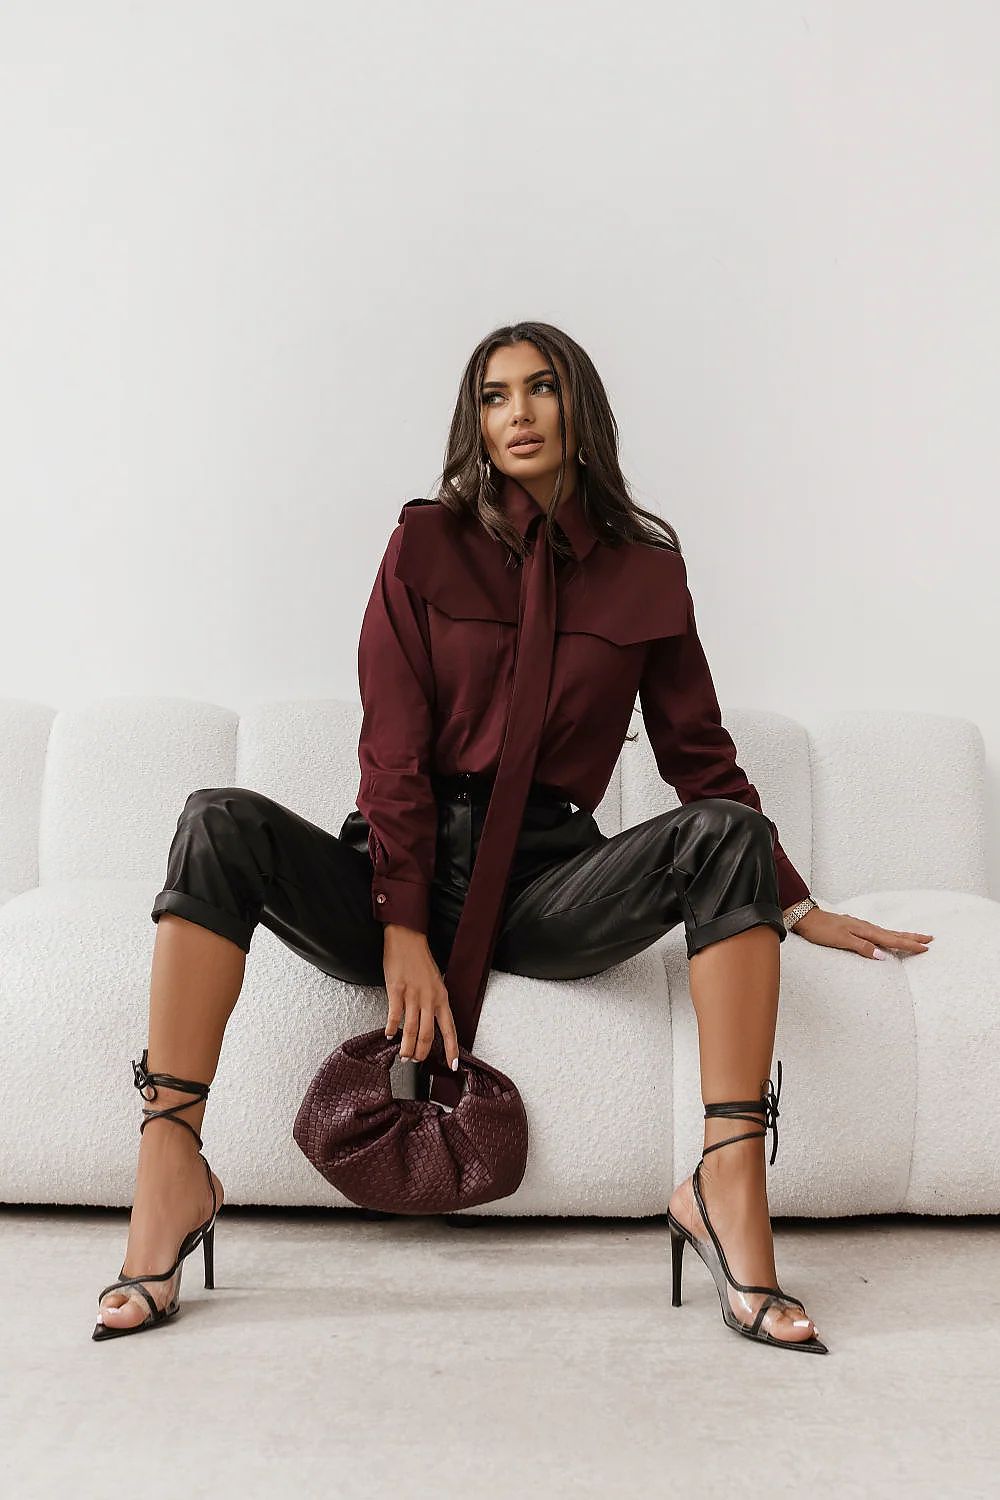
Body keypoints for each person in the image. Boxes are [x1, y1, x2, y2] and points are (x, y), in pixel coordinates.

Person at [92, 320, 934, 1348]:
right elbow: (392, 747)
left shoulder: (645, 573)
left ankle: (725, 1186)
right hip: (398, 864)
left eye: (541, 389)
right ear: (475, 420)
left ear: (579, 410)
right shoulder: (423, 545)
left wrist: (794, 902)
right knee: (215, 821)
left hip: (546, 886)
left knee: (721, 832)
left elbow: (700, 757)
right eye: (494, 396)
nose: (518, 414)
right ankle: (171, 1170)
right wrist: (402, 921)